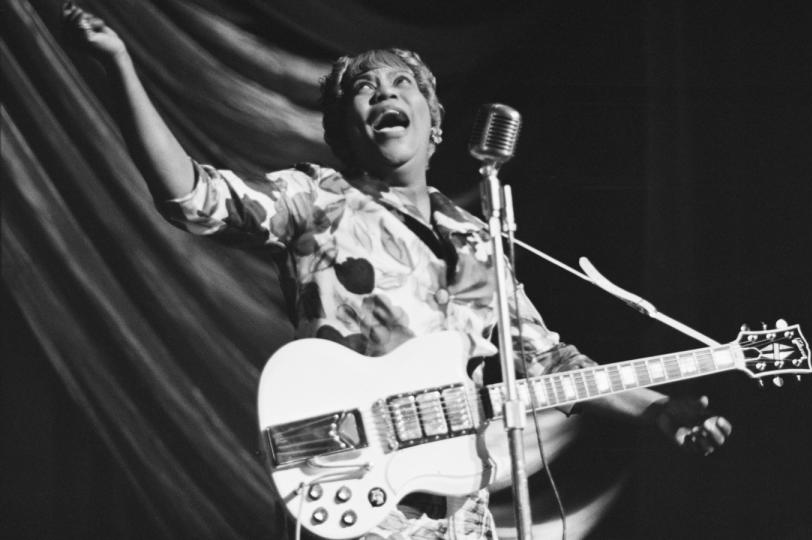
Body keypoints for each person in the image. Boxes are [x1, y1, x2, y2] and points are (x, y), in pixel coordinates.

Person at [62, 3, 733, 539]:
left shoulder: (478, 238)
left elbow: (548, 364)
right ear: (344, 129)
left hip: (460, 505)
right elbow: (197, 201)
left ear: (433, 125)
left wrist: (658, 409)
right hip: (358, 489)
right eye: (363, 88)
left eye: (400, 83)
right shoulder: (318, 200)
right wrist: (119, 68)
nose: (383, 92)